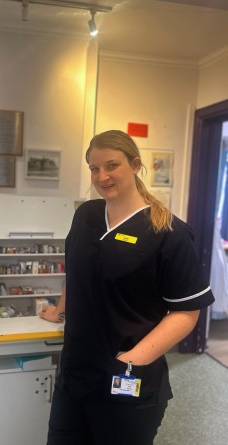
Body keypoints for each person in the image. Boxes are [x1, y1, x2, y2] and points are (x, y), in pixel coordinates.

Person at [40, 130, 215, 445]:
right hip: (75, 375)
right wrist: (59, 310)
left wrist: (132, 359)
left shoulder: (168, 233)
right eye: (94, 168)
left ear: (135, 165)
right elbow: (77, 272)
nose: (102, 176)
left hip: (126, 379)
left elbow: (187, 312)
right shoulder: (86, 216)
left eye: (112, 165)